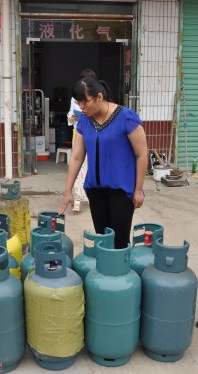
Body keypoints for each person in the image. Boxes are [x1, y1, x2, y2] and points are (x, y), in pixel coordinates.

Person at [60, 77, 148, 249]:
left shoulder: (126, 117)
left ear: (99, 97)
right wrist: (67, 191)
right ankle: (106, 275)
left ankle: (120, 274)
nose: (81, 107)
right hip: (95, 191)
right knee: (103, 240)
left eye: (85, 102)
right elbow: (77, 157)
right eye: (78, 103)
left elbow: (142, 155)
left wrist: (138, 190)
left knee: (120, 242)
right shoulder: (84, 121)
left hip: (121, 192)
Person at [66, 69, 97, 212]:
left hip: (94, 134)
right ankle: (77, 198)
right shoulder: (75, 98)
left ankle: (92, 196)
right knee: (79, 166)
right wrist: (73, 117)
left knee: (91, 166)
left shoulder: (97, 97)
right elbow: (70, 115)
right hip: (79, 133)